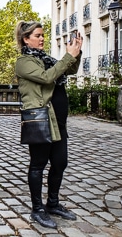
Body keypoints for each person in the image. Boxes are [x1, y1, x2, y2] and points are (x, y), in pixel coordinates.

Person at [14, 21, 82, 229]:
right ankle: (37, 209)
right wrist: (68, 56)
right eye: (37, 35)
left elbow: (69, 71)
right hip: (41, 120)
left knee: (60, 163)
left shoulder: (46, 59)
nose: (42, 38)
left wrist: (76, 53)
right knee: (38, 165)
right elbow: (47, 78)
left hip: (58, 121)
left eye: (43, 35)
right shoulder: (24, 62)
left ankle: (53, 203)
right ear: (26, 39)